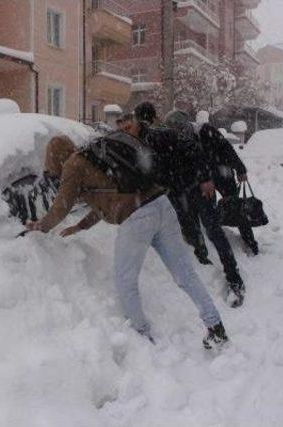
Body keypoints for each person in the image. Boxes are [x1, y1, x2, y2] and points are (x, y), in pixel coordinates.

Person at [25, 135, 229, 348]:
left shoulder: (72, 165)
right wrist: (81, 226)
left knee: (125, 280)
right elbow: (108, 198)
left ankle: (141, 336)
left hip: (138, 217)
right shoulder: (92, 156)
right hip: (161, 204)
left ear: (54, 158)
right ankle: (216, 326)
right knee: (185, 273)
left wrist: (39, 226)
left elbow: (62, 206)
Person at [160, 109, 245, 307]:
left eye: (178, 128)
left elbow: (202, 157)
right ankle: (204, 264)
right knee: (192, 232)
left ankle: (234, 278)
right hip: (181, 194)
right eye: (173, 129)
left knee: (213, 230)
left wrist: (206, 179)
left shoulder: (196, 134)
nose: (177, 132)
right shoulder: (167, 139)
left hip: (200, 191)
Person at [195, 112, 259, 255]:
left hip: (209, 178)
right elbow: (230, 152)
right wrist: (240, 170)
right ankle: (249, 242)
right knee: (236, 208)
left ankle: (216, 238)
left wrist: (203, 178)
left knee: (210, 209)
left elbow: (198, 161)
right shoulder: (216, 137)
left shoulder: (198, 138)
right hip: (224, 174)